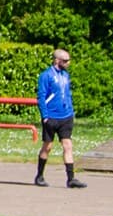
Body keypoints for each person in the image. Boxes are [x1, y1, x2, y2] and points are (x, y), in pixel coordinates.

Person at [35, 48, 85, 188]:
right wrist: (45, 116)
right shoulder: (46, 76)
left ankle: (71, 179)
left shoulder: (65, 75)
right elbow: (41, 97)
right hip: (51, 116)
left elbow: (66, 94)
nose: (68, 63)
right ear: (57, 60)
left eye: (69, 60)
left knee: (68, 145)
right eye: (65, 61)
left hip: (66, 117)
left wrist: (71, 110)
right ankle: (39, 176)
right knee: (48, 146)